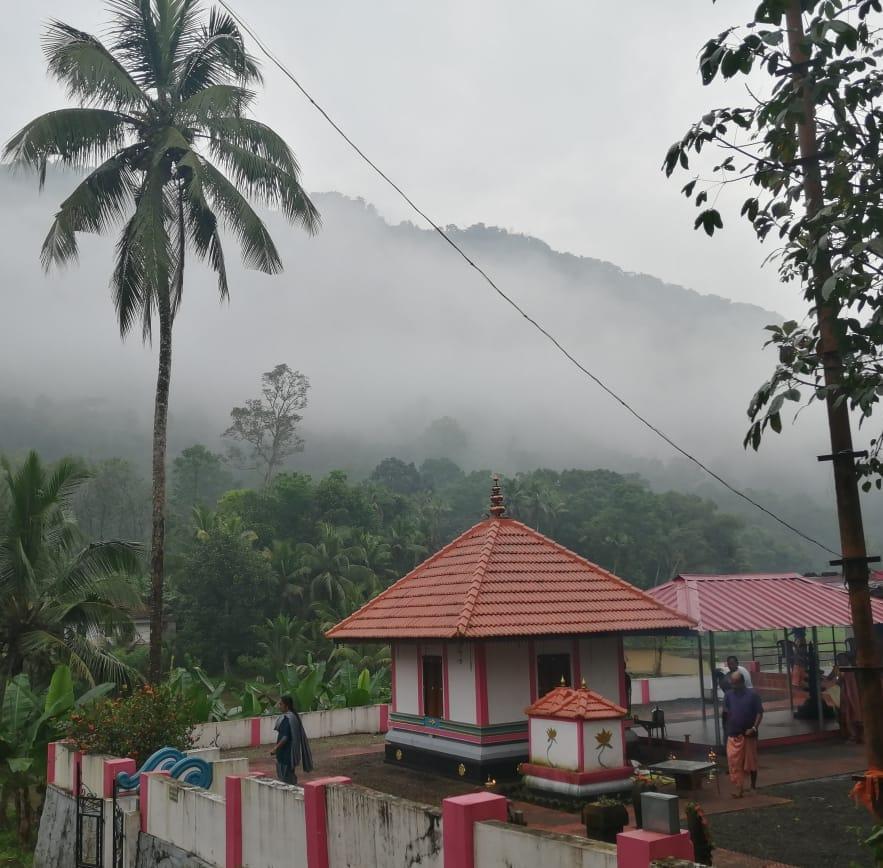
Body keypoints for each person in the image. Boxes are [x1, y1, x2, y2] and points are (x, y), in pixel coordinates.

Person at [723, 671, 763, 798]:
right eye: (732, 683)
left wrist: (754, 728)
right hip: (733, 733)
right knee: (734, 762)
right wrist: (727, 726)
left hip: (748, 734)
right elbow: (726, 711)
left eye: (735, 683)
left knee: (751, 762)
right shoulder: (728, 695)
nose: (733, 686)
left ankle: (752, 786)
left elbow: (759, 713)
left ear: (742, 682)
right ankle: (738, 788)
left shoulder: (753, 695)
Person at [270, 695, 314, 784]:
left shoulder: (289, 718)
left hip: (287, 752)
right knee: (285, 775)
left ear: (287, 706)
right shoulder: (288, 717)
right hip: (283, 752)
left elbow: (285, 737)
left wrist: (275, 748)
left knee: (286, 777)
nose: (279, 706)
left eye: (281, 704)